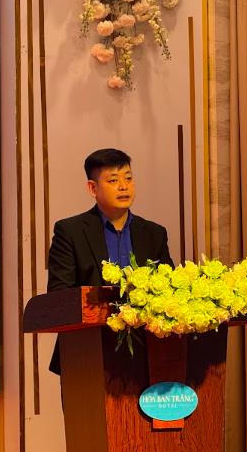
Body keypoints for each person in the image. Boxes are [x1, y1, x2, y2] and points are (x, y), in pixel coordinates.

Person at [47, 148, 174, 374]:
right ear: (92, 188)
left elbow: (169, 290)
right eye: (113, 180)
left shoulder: (154, 233)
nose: (124, 186)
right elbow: (60, 295)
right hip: (86, 354)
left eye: (128, 178)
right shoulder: (70, 232)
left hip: (148, 352)